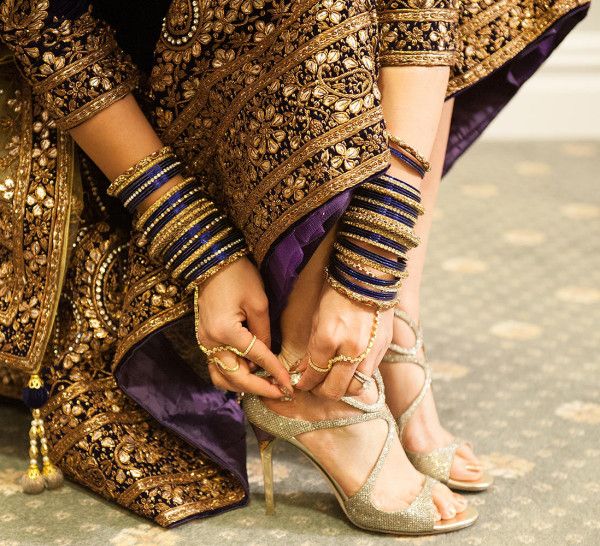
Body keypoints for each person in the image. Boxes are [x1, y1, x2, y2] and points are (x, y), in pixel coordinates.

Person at [0, 0, 589, 532]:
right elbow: (46, 27)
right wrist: (200, 247)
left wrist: (375, 264)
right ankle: (319, 384)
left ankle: (392, 317)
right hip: (114, 95)